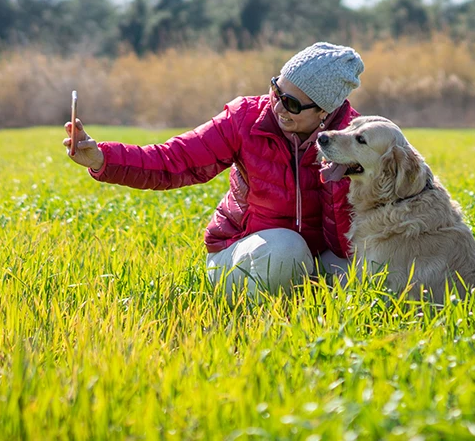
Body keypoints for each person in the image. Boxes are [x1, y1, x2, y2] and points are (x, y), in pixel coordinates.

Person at [63, 42, 364, 300]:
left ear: (324, 111)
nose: (277, 107)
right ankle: (261, 326)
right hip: (244, 254)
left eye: (292, 104)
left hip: (319, 259)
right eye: (276, 89)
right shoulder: (245, 119)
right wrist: (102, 159)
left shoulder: (358, 137)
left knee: (371, 271)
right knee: (286, 250)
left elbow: (401, 188)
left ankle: (313, 318)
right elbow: (173, 160)